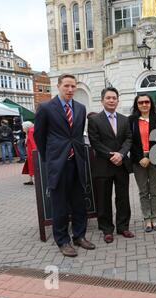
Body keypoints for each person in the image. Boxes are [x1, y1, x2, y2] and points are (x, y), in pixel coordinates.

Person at [34, 74, 96, 257]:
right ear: (59, 86)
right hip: (58, 163)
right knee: (59, 205)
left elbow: (76, 135)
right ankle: (62, 241)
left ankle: (79, 236)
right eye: (66, 86)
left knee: (79, 203)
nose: (70, 89)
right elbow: (39, 136)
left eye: (73, 86)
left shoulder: (81, 108)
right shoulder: (46, 108)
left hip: (77, 161)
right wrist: (50, 158)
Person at [87, 87, 134, 244]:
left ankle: (123, 227)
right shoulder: (94, 120)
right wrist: (112, 155)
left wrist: (121, 154)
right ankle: (107, 229)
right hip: (103, 165)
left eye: (114, 98)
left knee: (123, 198)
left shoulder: (124, 119)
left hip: (121, 165)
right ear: (102, 100)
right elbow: (95, 142)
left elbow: (129, 139)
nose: (111, 100)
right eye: (108, 98)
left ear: (117, 100)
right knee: (104, 199)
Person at [128, 94, 156, 233]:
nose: (144, 104)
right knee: (143, 191)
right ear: (137, 105)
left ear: (151, 103)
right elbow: (129, 140)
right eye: (140, 102)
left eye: (146, 102)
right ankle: (147, 218)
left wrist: (151, 156)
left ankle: (155, 218)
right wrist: (139, 158)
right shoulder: (131, 120)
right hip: (138, 160)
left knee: (155, 191)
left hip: (155, 158)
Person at [21, 121, 36, 185]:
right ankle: (30, 180)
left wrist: (35, 153)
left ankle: (35, 180)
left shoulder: (30, 132)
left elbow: (33, 143)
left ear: (26, 127)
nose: (23, 129)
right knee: (31, 166)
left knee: (33, 167)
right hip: (31, 152)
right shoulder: (30, 131)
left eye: (23, 128)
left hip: (32, 153)